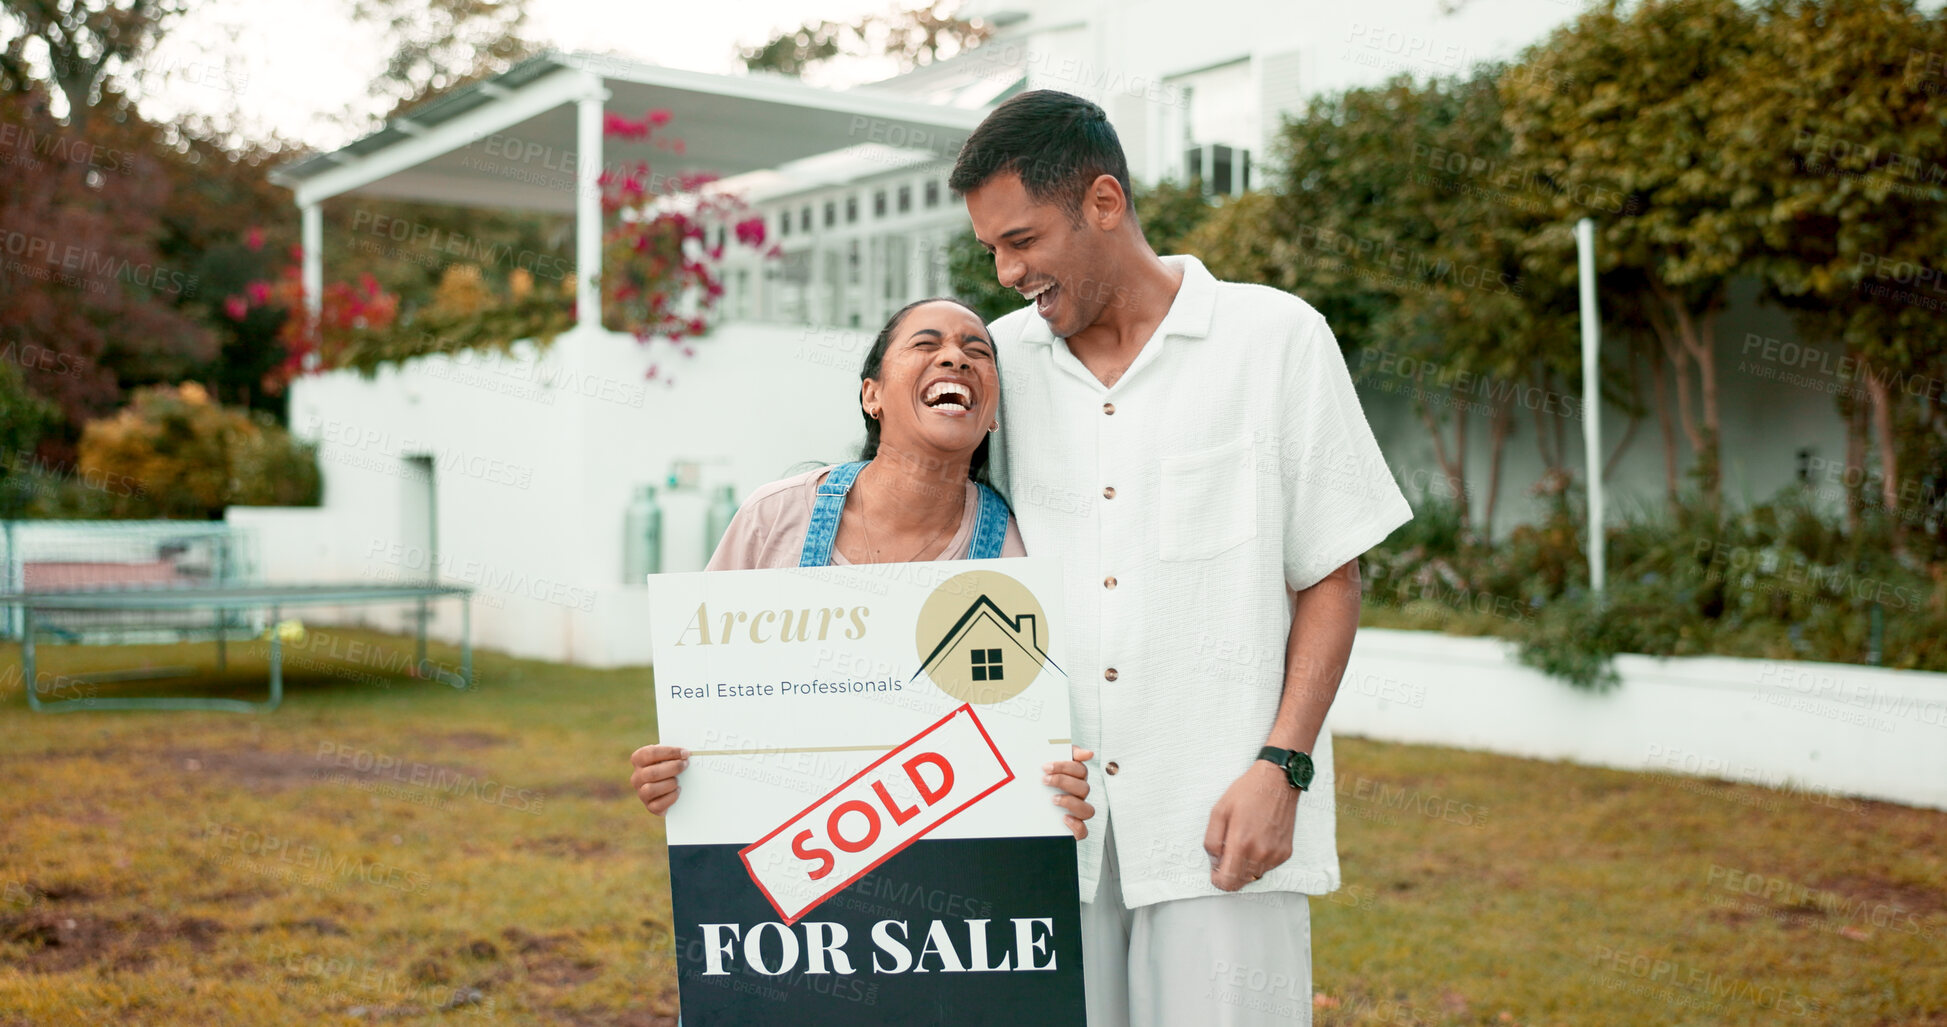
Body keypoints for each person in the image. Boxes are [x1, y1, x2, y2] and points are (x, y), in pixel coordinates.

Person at [951, 90, 1414, 1026]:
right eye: (991, 250)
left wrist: (1280, 768)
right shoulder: (996, 363)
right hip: (1047, 822)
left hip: (1221, 818)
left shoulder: (1274, 338)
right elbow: (918, 538)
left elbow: (1327, 574)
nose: (1004, 272)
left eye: (1022, 240)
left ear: (1104, 203)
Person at [629, 296, 1096, 837]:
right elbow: (703, 703)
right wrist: (675, 772)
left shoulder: (1022, 555)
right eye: (926, 344)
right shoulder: (773, 518)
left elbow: (1028, 735)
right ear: (871, 395)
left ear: (993, 414)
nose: (956, 359)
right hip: (793, 865)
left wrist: (1056, 784)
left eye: (977, 351)